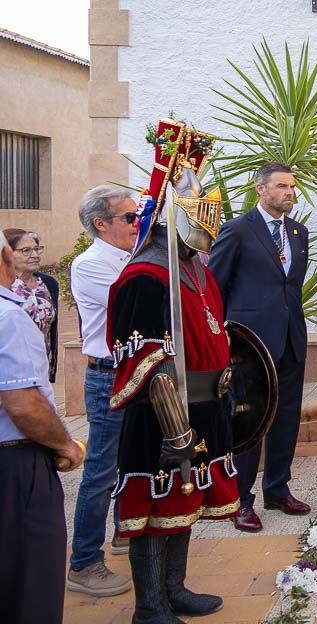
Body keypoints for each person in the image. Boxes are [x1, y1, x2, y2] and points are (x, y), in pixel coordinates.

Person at [107, 119, 240, 623]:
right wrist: (175, 428)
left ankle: (176, 589)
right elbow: (149, 361)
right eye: (203, 210)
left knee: (187, 501)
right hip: (164, 417)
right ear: (175, 215)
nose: (213, 220)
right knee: (154, 508)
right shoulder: (145, 276)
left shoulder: (197, 267)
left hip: (204, 405)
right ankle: (150, 606)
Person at [209, 163, 311, 531]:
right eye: (282, 186)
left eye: (292, 186)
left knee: (286, 417)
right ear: (260, 189)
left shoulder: (298, 232)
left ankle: (278, 489)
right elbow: (215, 289)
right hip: (250, 345)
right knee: (250, 421)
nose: (290, 192)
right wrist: (224, 339)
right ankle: (240, 499)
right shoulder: (237, 230)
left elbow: (290, 288)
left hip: (290, 339)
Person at [0, 233, 84, 624]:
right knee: (31, 578)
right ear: (6, 256)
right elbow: (22, 403)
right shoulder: (7, 316)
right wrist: (65, 444)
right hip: (16, 459)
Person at [68, 184, 138, 597]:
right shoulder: (90, 263)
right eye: (129, 218)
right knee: (101, 469)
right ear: (101, 224)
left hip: (134, 368)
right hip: (108, 373)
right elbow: (131, 301)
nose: (137, 223)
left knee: (132, 458)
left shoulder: (131, 256)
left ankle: (123, 531)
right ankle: (84, 562)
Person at [3, 229, 59, 381]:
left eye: (36, 249)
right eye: (26, 251)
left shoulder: (48, 284)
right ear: (8, 254)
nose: (35, 255)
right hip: (11, 372)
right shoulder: (5, 286)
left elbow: (51, 331)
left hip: (41, 369)